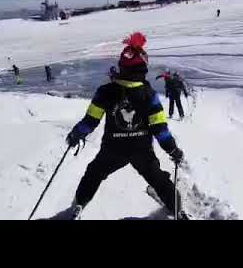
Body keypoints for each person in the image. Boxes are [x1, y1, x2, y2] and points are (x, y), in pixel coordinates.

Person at [63, 32, 189, 220]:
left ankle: (79, 205)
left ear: (122, 68)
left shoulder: (105, 91)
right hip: (142, 151)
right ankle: (178, 211)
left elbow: (91, 119)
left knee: (94, 173)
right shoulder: (149, 94)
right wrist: (172, 150)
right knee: (159, 180)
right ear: (143, 69)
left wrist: (77, 134)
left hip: (112, 149)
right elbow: (159, 128)